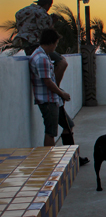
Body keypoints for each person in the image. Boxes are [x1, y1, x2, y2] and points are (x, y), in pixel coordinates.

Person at [29, 28, 89, 165]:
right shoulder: (41, 59)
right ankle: (48, 162)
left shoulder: (43, 55)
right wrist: (62, 93)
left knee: (68, 126)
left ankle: (72, 158)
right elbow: (48, 82)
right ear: (51, 42)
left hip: (54, 100)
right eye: (56, 43)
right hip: (48, 101)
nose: (56, 46)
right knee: (50, 132)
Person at [15, 0, 68, 85]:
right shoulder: (43, 15)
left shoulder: (23, 11)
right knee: (62, 62)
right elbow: (48, 34)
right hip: (36, 47)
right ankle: (55, 87)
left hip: (26, 46)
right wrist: (52, 22)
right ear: (47, 5)